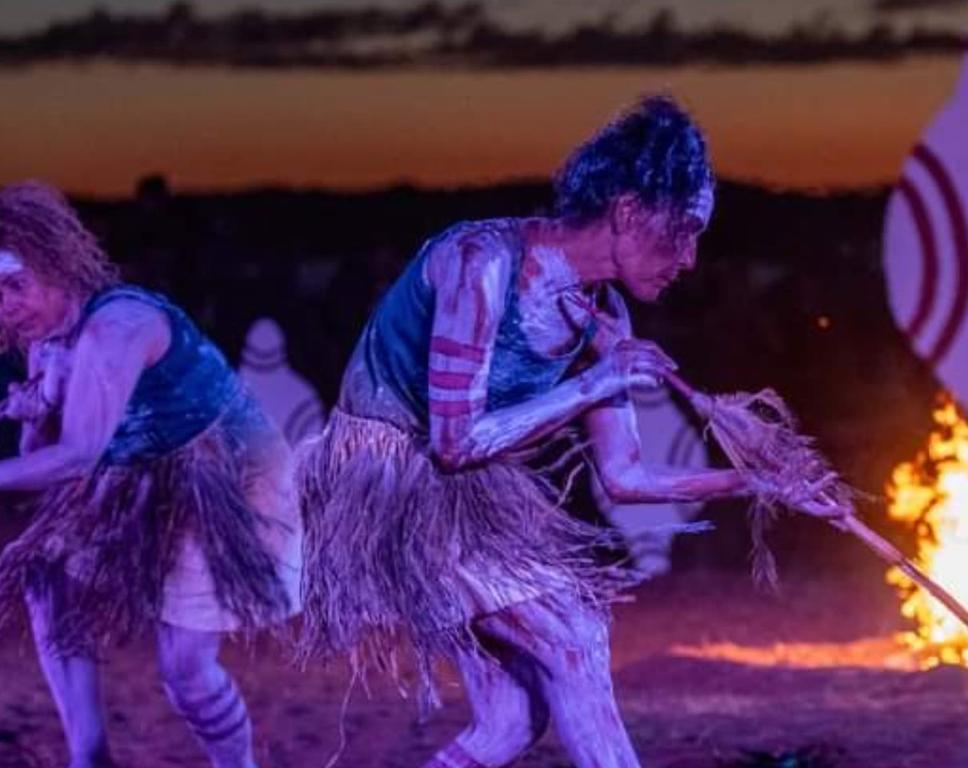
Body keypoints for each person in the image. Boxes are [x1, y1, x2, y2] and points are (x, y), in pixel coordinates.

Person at [298, 96, 838, 768]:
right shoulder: (482, 264)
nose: (692, 259)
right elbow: (454, 441)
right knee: (574, 635)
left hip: (461, 500)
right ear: (629, 213)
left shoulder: (601, 314)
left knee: (510, 721)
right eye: (685, 230)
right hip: (389, 487)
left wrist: (761, 480)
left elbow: (625, 477)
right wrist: (597, 382)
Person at [0, 181, 302, 768]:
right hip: (139, 481)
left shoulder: (116, 328)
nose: (5, 305)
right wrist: (37, 407)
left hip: (230, 481)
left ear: (60, 264)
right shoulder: (43, 336)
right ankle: (90, 755)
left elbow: (79, 455)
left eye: (16, 285)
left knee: (185, 667)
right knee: (45, 573)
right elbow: (49, 459)